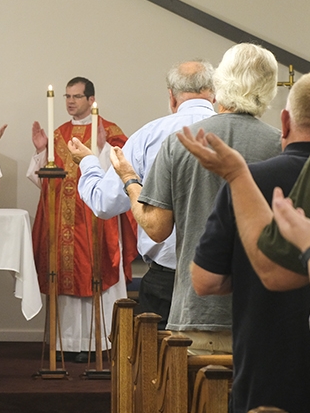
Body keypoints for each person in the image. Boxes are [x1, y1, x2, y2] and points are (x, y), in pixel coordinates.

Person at [185, 71, 310, 413]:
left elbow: (210, 280)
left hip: (267, 387)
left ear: (285, 122)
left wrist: (238, 176)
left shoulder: (254, 181)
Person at [111, 43, 281, 354]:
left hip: (196, 308)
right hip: (263, 313)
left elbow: (157, 227)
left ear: (221, 86)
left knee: (191, 400)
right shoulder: (281, 146)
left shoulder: (180, 142)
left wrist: (129, 180)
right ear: (269, 88)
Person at [69, 60, 216, 328]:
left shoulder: (151, 134)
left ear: (171, 97)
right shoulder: (241, 134)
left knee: (157, 363)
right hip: (226, 278)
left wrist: (88, 162)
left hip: (166, 280)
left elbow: (104, 202)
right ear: (214, 93)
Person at [28, 76, 135, 362]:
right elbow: (44, 184)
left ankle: (100, 342)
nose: (70, 102)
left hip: (96, 222)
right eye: (66, 97)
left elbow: (123, 176)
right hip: (63, 223)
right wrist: (41, 151)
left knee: (95, 272)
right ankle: (68, 342)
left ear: (91, 99)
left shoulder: (110, 131)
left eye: (76, 96)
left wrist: (102, 149)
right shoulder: (59, 134)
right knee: (64, 276)